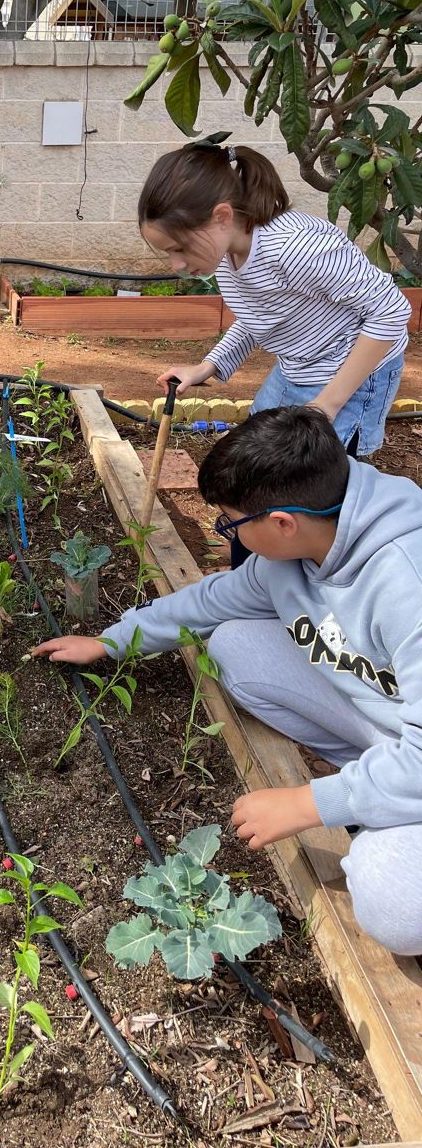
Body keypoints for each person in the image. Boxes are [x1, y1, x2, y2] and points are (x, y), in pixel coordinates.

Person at [32, 407, 422, 957]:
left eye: (231, 524)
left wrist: (310, 803)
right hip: (398, 730)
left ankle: (381, 805)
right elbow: (213, 602)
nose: (227, 534)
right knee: (235, 644)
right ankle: (380, 789)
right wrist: (113, 641)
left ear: (282, 522)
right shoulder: (301, 546)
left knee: (393, 904)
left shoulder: (408, 577)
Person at [139, 135, 410, 459]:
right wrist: (206, 367)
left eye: (179, 248)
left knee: (312, 478)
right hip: (298, 365)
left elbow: (391, 311)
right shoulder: (228, 256)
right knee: (258, 457)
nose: (177, 264)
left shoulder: (294, 248)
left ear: (222, 217)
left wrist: (327, 404)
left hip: (351, 374)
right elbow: (260, 315)